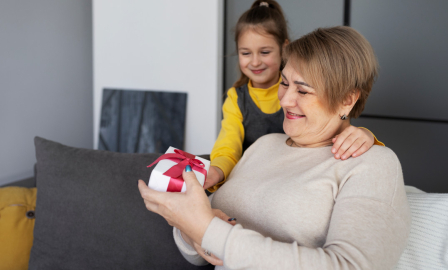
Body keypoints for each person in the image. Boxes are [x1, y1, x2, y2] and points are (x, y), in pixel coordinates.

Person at [138, 26, 411, 269]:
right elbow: (199, 253)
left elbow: (351, 265)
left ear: (347, 100)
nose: (285, 100)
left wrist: (210, 232)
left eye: (302, 91)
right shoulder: (264, 145)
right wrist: (193, 232)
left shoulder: (373, 163)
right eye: (284, 83)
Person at [205, 0, 384, 192]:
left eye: (302, 90)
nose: (284, 100)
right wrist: (217, 170)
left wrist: (366, 136)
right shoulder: (238, 99)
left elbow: (336, 128)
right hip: (249, 177)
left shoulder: (347, 161)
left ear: (284, 47)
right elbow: (228, 144)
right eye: (246, 53)